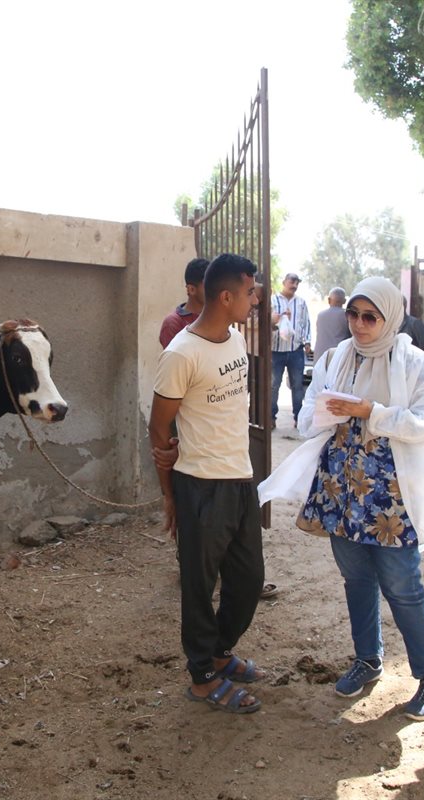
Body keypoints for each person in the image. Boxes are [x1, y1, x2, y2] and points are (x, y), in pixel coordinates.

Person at [259, 277, 424, 721]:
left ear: (390, 319)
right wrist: (327, 413)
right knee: (355, 577)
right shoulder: (335, 357)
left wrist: (373, 413)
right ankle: (368, 659)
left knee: (402, 584)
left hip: (391, 496)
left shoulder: (412, 362)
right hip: (342, 488)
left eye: (370, 317)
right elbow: (308, 412)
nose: (358, 324)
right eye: (353, 314)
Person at [149, 253, 267, 715]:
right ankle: (202, 677)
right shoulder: (181, 353)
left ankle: (219, 652)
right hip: (199, 484)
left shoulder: (235, 338)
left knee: (249, 580)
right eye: (250, 293)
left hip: (240, 479)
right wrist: (170, 494)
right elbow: (159, 428)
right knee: (199, 586)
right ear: (226, 297)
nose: (255, 300)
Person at [270, 272, 312, 427]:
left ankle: (298, 418)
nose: (294, 285)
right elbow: (268, 321)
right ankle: (271, 418)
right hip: (276, 350)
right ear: (284, 282)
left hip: (296, 350)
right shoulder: (273, 300)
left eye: (297, 283)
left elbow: (306, 323)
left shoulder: (301, 302)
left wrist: (307, 341)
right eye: (292, 282)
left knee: (297, 385)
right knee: (273, 385)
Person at [158, 257, 208, 348]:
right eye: (208, 286)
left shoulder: (215, 317)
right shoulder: (172, 323)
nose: (214, 291)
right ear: (191, 289)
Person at [313, 286, 351, 358]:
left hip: (320, 357)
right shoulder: (348, 316)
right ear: (344, 301)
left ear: (329, 300)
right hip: (338, 356)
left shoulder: (320, 315)